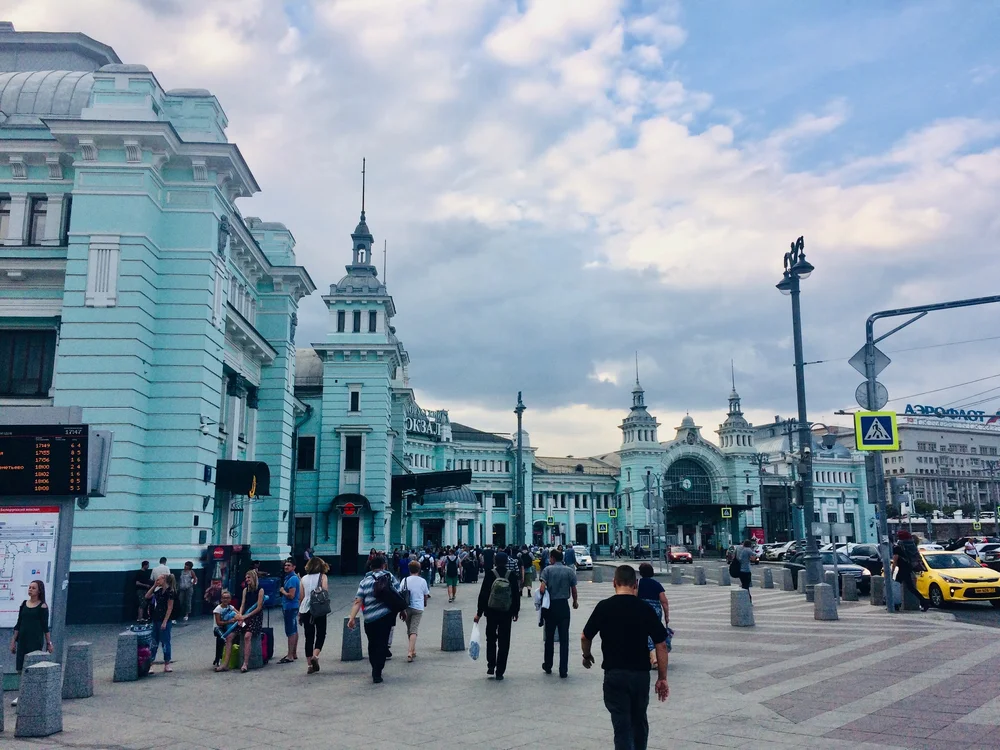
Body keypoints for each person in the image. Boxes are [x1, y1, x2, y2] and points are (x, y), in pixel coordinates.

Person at [582, 565, 669, 750]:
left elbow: (585, 636)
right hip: (640, 675)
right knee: (639, 722)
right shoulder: (645, 608)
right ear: (635, 584)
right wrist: (662, 678)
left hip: (614, 674)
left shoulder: (604, 606)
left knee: (621, 726)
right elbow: (661, 644)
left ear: (614, 583)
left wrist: (587, 655)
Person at [348, 554, 399, 683]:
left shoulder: (364, 581)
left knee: (372, 643)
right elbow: (398, 594)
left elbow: (358, 601)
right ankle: (378, 670)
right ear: (384, 566)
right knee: (382, 643)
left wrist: (352, 617)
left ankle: (374, 666)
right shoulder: (389, 577)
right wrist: (402, 610)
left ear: (370, 567)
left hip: (369, 618)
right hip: (385, 616)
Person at [475, 552, 520, 680]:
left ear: (495, 561)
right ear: (506, 561)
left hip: (491, 611)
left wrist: (479, 613)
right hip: (506, 612)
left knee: (491, 638)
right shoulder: (511, 575)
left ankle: (490, 665)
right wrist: (515, 611)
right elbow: (516, 594)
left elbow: (483, 594)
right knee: (504, 641)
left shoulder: (490, 574)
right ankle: (500, 671)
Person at [539, 547, 578, 678]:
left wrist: (542, 598)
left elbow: (542, 588)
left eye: (550, 557)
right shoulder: (569, 571)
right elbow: (573, 589)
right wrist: (575, 602)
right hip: (564, 606)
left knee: (549, 638)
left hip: (551, 606)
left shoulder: (547, 570)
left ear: (553, 558)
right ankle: (563, 669)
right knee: (564, 639)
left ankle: (548, 665)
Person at [298, 556, 330, 674]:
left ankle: (309, 666)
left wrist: (300, 612)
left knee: (309, 636)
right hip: (319, 608)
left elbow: (301, 597)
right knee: (321, 633)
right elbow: (325, 591)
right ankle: (315, 656)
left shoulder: (304, 579)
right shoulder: (323, 577)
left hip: (306, 609)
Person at [637, 563, 670, 668]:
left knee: (644, 633)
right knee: (654, 632)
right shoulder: (656, 584)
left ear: (641, 573)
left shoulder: (637, 584)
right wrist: (666, 615)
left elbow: (633, 597)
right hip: (655, 611)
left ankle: (653, 656)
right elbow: (664, 601)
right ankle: (654, 656)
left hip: (642, 610)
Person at [145, 573, 177, 672]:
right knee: (153, 642)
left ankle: (167, 663)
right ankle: (150, 663)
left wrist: (165, 621)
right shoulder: (158, 591)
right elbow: (147, 596)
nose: (157, 581)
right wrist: (154, 586)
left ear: (164, 580)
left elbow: (169, 608)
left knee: (165, 642)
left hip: (164, 620)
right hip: (156, 619)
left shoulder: (170, 592)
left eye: (158, 580)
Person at [892, 530, 929, 611]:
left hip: (902, 569)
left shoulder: (897, 547)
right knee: (910, 587)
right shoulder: (909, 545)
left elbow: (895, 561)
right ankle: (924, 601)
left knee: (896, 586)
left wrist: (892, 571)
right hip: (908, 567)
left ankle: (896, 604)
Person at [401, 559, 430, 662]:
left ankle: (413, 650)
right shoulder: (422, 581)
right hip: (418, 607)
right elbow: (425, 594)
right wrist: (425, 603)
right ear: (419, 569)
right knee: (414, 630)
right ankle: (410, 651)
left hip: (406, 607)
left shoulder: (404, 580)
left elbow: (400, 594)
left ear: (409, 569)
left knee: (409, 629)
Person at [236, 569, 264, 673]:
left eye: (249, 577)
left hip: (255, 616)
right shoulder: (245, 590)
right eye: (246, 578)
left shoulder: (260, 590)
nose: (247, 580)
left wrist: (246, 616)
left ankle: (245, 663)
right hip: (245, 616)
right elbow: (243, 604)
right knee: (235, 632)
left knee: (247, 636)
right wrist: (240, 615)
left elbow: (259, 607)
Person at [278, 558, 300, 664]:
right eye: (285, 565)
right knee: (294, 629)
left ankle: (290, 655)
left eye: (289, 565)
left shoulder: (292, 579)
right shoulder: (291, 577)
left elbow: (291, 595)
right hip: (292, 606)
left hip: (290, 607)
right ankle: (294, 653)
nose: (286, 567)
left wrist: (283, 591)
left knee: (290, 631)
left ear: (294, 567)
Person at [212, 590, 237, 671]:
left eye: (227, 598)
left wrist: (237, 617)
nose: (225, 600)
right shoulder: (217, 609)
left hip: (227, 627)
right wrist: (229, 621)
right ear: (221, 599)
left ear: (230, 599)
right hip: (218, 628)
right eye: (224, 598)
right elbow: (218, 623)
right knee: (223, 638)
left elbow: (239, 614)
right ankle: (220, 659)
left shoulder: (231, 607)